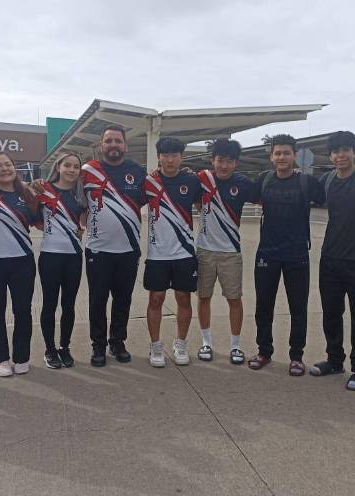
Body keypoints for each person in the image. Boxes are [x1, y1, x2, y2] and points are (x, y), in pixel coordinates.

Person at [309, 131, 355, 391]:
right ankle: (334, 360)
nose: (340, 155)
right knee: (331, 313)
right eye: (335, 151)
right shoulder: (327, 180)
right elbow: (303, 193)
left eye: (345, 150)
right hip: (330, 258)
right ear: (330, 156)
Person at [247, 134, 325, 375]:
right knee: (264, 306)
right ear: (271, 157)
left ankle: (296, 356)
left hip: (297, 254)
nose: (282, 157)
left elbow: (327, 195)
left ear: (295, 156)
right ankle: (264, 351)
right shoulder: (264, 180)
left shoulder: (307, 182)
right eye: (277, 153)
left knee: (298, 308)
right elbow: (244, 193)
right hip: (267, 253)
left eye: (286, 153)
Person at [82, 125, 147, 367]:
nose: (113, 145)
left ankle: (117, 342)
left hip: (128, 250)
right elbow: (67, 192)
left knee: (123, 300)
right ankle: (98, 345)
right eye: (108, 141)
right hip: (98, 250)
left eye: (118, 141)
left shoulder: (137, 171)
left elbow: (159, 188)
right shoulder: (88, 171)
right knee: (97, 301)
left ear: (125, 146)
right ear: (101, 146)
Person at [0, 151, 39, 377]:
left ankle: (22, 357)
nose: (5, 169)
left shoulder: (27, 194)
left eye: (8, 164)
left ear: (15, 168)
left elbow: (39, 221)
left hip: (22, 261)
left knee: (23, 310)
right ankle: (0, 358)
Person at [195, 139, 257, 364]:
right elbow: (191, 197)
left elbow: (265, 198)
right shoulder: (202, 179)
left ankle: (235, 346)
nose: (224, 165)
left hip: (231, 252)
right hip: (204, 251)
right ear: (213, 160)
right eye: (220, 160)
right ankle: (206, 342)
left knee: (234, 299)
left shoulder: (243, 183)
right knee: (204, 297)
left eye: (229, 161)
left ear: (236, 163)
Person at [144, 137, 202, 367]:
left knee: (183, 298)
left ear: (181, 157)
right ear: (159, 157)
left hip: (184, 253)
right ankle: (156, 346)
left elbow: (203, 205)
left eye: (174, 155)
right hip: (157, 254)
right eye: (165, 155)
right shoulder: (149, 181)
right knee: (156, 299)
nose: (170, 160)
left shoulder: (192, 180)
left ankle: (181, 344)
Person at [33, 153, 87, 369]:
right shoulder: (43, 189)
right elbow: (36, 220)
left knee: (69, 304)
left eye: (76, 167)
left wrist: (77, 230)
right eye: (68, 165)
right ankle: (50, 349)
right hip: (50, 255)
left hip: (74, 256)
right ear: (58, 167)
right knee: (49, 303)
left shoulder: (80, 194)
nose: (72, 170)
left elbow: (84, 221)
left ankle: (65, 347)